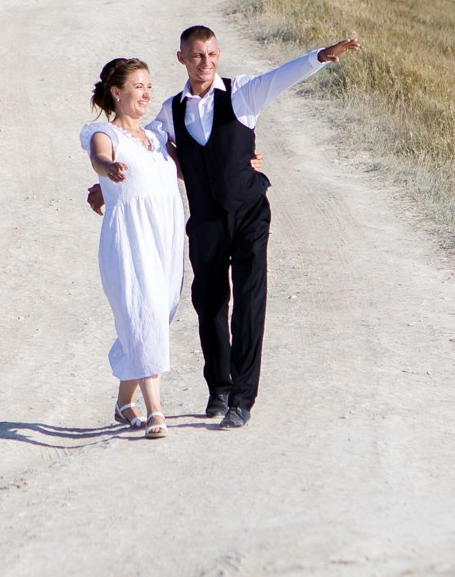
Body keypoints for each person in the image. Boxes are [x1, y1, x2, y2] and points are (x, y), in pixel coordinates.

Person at [92, 26, 358, 429]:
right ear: (182, 58)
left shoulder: (243, 92)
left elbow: (280, 76)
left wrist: (319, 56)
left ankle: (242, 399)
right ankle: (219, 388)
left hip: (249, 213)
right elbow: (141, 152)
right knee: (209, 304)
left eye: (213, 54)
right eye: (198, 55)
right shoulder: (169, 111)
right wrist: (104, 184)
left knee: (249, 302)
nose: (207, 62)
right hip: (206, 221)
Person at [81, 57, 183, 439]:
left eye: (149, 86)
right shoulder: (104, 133)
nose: (146, 93)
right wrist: (107, 171)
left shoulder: (156, 136)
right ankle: (156, 411)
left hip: (167, 236)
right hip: (129, 238)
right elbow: (99, 157)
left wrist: (242, 163)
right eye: (138, 86)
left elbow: (192, 169)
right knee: (146, 314)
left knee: (158, 314)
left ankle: (124, 404)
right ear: (116, 92)